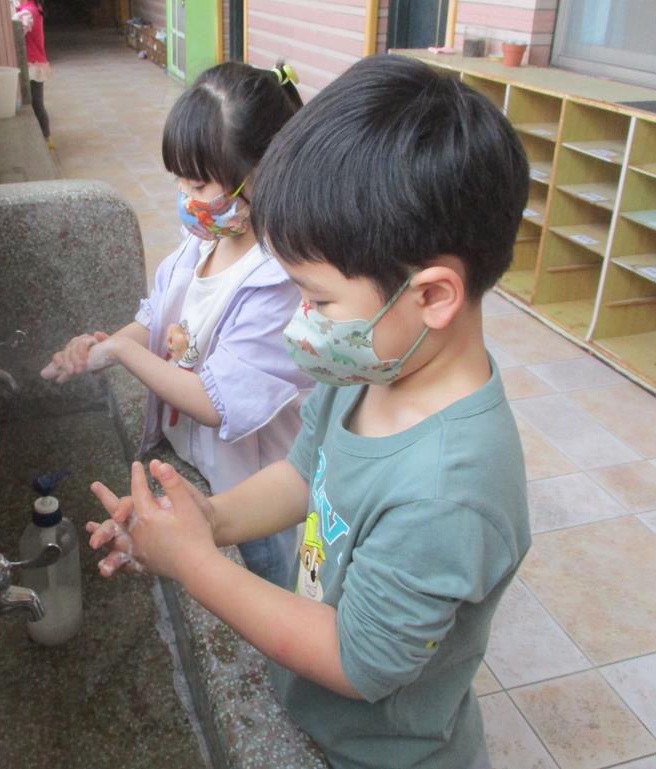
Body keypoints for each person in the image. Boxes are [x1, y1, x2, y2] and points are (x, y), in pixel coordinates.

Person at [86, 55, 532, 769]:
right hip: (312, 713)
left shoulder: (449, 492)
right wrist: (209, 519)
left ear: (432, 295)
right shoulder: (372, 366)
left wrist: (193, 564)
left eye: (318, 299)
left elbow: (356, 661)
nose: (300, 319)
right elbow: (303, 472)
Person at [42, 61, 313, 589]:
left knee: (267, 578)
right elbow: (156, 317)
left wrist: (123, 355)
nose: (187, 199)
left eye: (198, 182)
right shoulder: (204, 240)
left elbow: (215, 402)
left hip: (251, 485)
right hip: (197, 460)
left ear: (262, 172)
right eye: (180, 181)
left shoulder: (278, 279)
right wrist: (101, 347)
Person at [13, 0, 53, 150]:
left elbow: (18, 30)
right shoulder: (33, 8)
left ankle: (46, 138)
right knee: (36, 104)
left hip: (33, 64)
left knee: (36, 104)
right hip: (35, 62)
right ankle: (45, 137)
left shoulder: (28, 12)